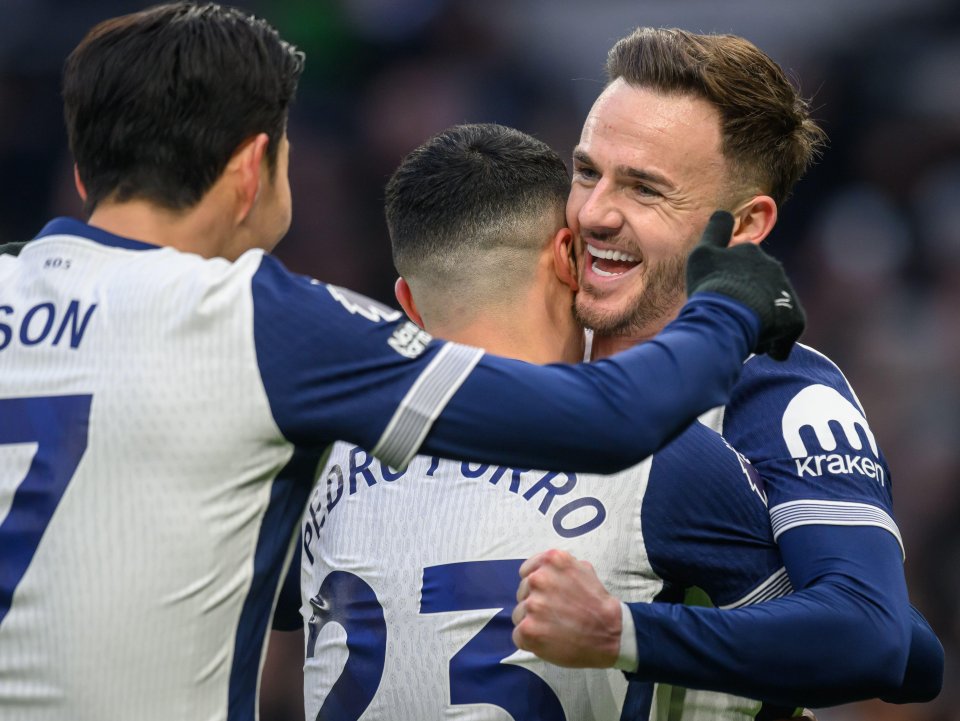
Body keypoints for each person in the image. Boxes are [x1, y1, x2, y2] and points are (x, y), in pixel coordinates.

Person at [0, 7, 809, 721]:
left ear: (83, 172)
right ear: (254, 170)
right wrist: (728, 305)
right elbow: (610, 420)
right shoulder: (264, 319)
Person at [512, 27, 943, 718]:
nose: (594, 213)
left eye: (646, 190)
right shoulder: (507, 349)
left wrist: (620, 632)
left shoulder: (782, 392)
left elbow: (876, 635)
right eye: (588, 171)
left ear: (743, 226)